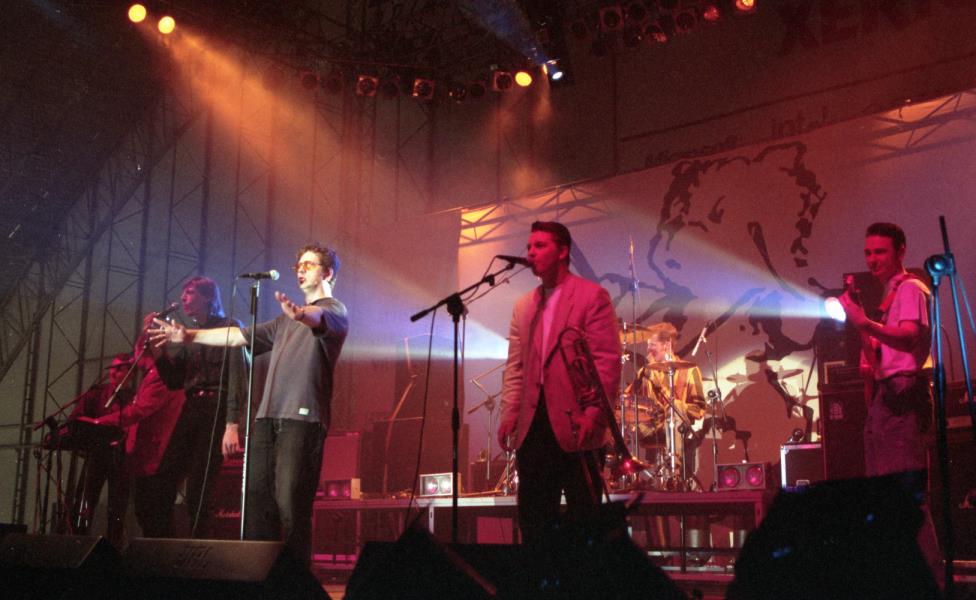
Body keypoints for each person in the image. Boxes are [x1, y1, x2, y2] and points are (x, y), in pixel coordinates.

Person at [149, 243, 348, 564]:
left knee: (290, 504)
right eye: (298, 265)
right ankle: (259, 576)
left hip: (302, 420)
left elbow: (317, 317)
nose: (300, 270)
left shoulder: (334, 310)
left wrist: (301, 313)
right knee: (256, 506)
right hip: (265, 420)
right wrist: (189, 335)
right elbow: (236, 336)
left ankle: (296, 579)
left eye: (308, 265)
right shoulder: (282, 323)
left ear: (327, 273)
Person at [496, 221, 621, 545]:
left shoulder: (592, 296)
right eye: (529, 247)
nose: (531, 253)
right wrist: (510, 413)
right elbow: (516, 367)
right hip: (533, 428)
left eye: (540, 246)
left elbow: (606, 362)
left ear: (562, 251)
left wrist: (594, 414)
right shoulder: (523, 306)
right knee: (534, 524)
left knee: (586, 523)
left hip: (577, 424)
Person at [838, 221, 943, 587]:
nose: (872, 259)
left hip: (902, 394)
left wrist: (865, 322)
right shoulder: (891, 294)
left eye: (880, 251)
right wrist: (861, 323)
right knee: (885, 498)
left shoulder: (910, 288)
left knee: (905, 498)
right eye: (868, 252)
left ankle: (931, 583)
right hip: (887, 396)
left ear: (901, 251)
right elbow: (878, 358)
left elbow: (909, 337)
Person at [141, 276, 246, 538]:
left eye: (190, 292)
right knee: (162, 481)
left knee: (199, 486)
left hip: (216, 407)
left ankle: (198, 548)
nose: (183, 298)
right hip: (193, 407)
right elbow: (174, 380)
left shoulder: (230, 327)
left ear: (208, 297)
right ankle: (164, 546)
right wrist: (157, 350)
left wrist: (232, 423)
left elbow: (238, 378)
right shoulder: (190, 335)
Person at [65, 353, 136, 547]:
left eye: (119, 369)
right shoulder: (96, 393)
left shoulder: (135, 398)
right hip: (97, 453)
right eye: (112, 368)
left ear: (130, 372)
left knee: (117, 507)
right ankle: (77, 544)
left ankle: (114, 547)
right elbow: (75, 418)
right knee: (85, 501)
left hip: (122, 457)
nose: (113, 373)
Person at [632, 322, 706, 488]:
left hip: (678, 428)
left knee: (676, 407)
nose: (648, 350)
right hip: (649, 428)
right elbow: (628, 400)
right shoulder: (646, 371)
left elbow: (699, 407)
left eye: (652, 345)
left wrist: (676, 406)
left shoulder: (689, 370)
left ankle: (674, 469)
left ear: (666, 345)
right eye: (648, 345)